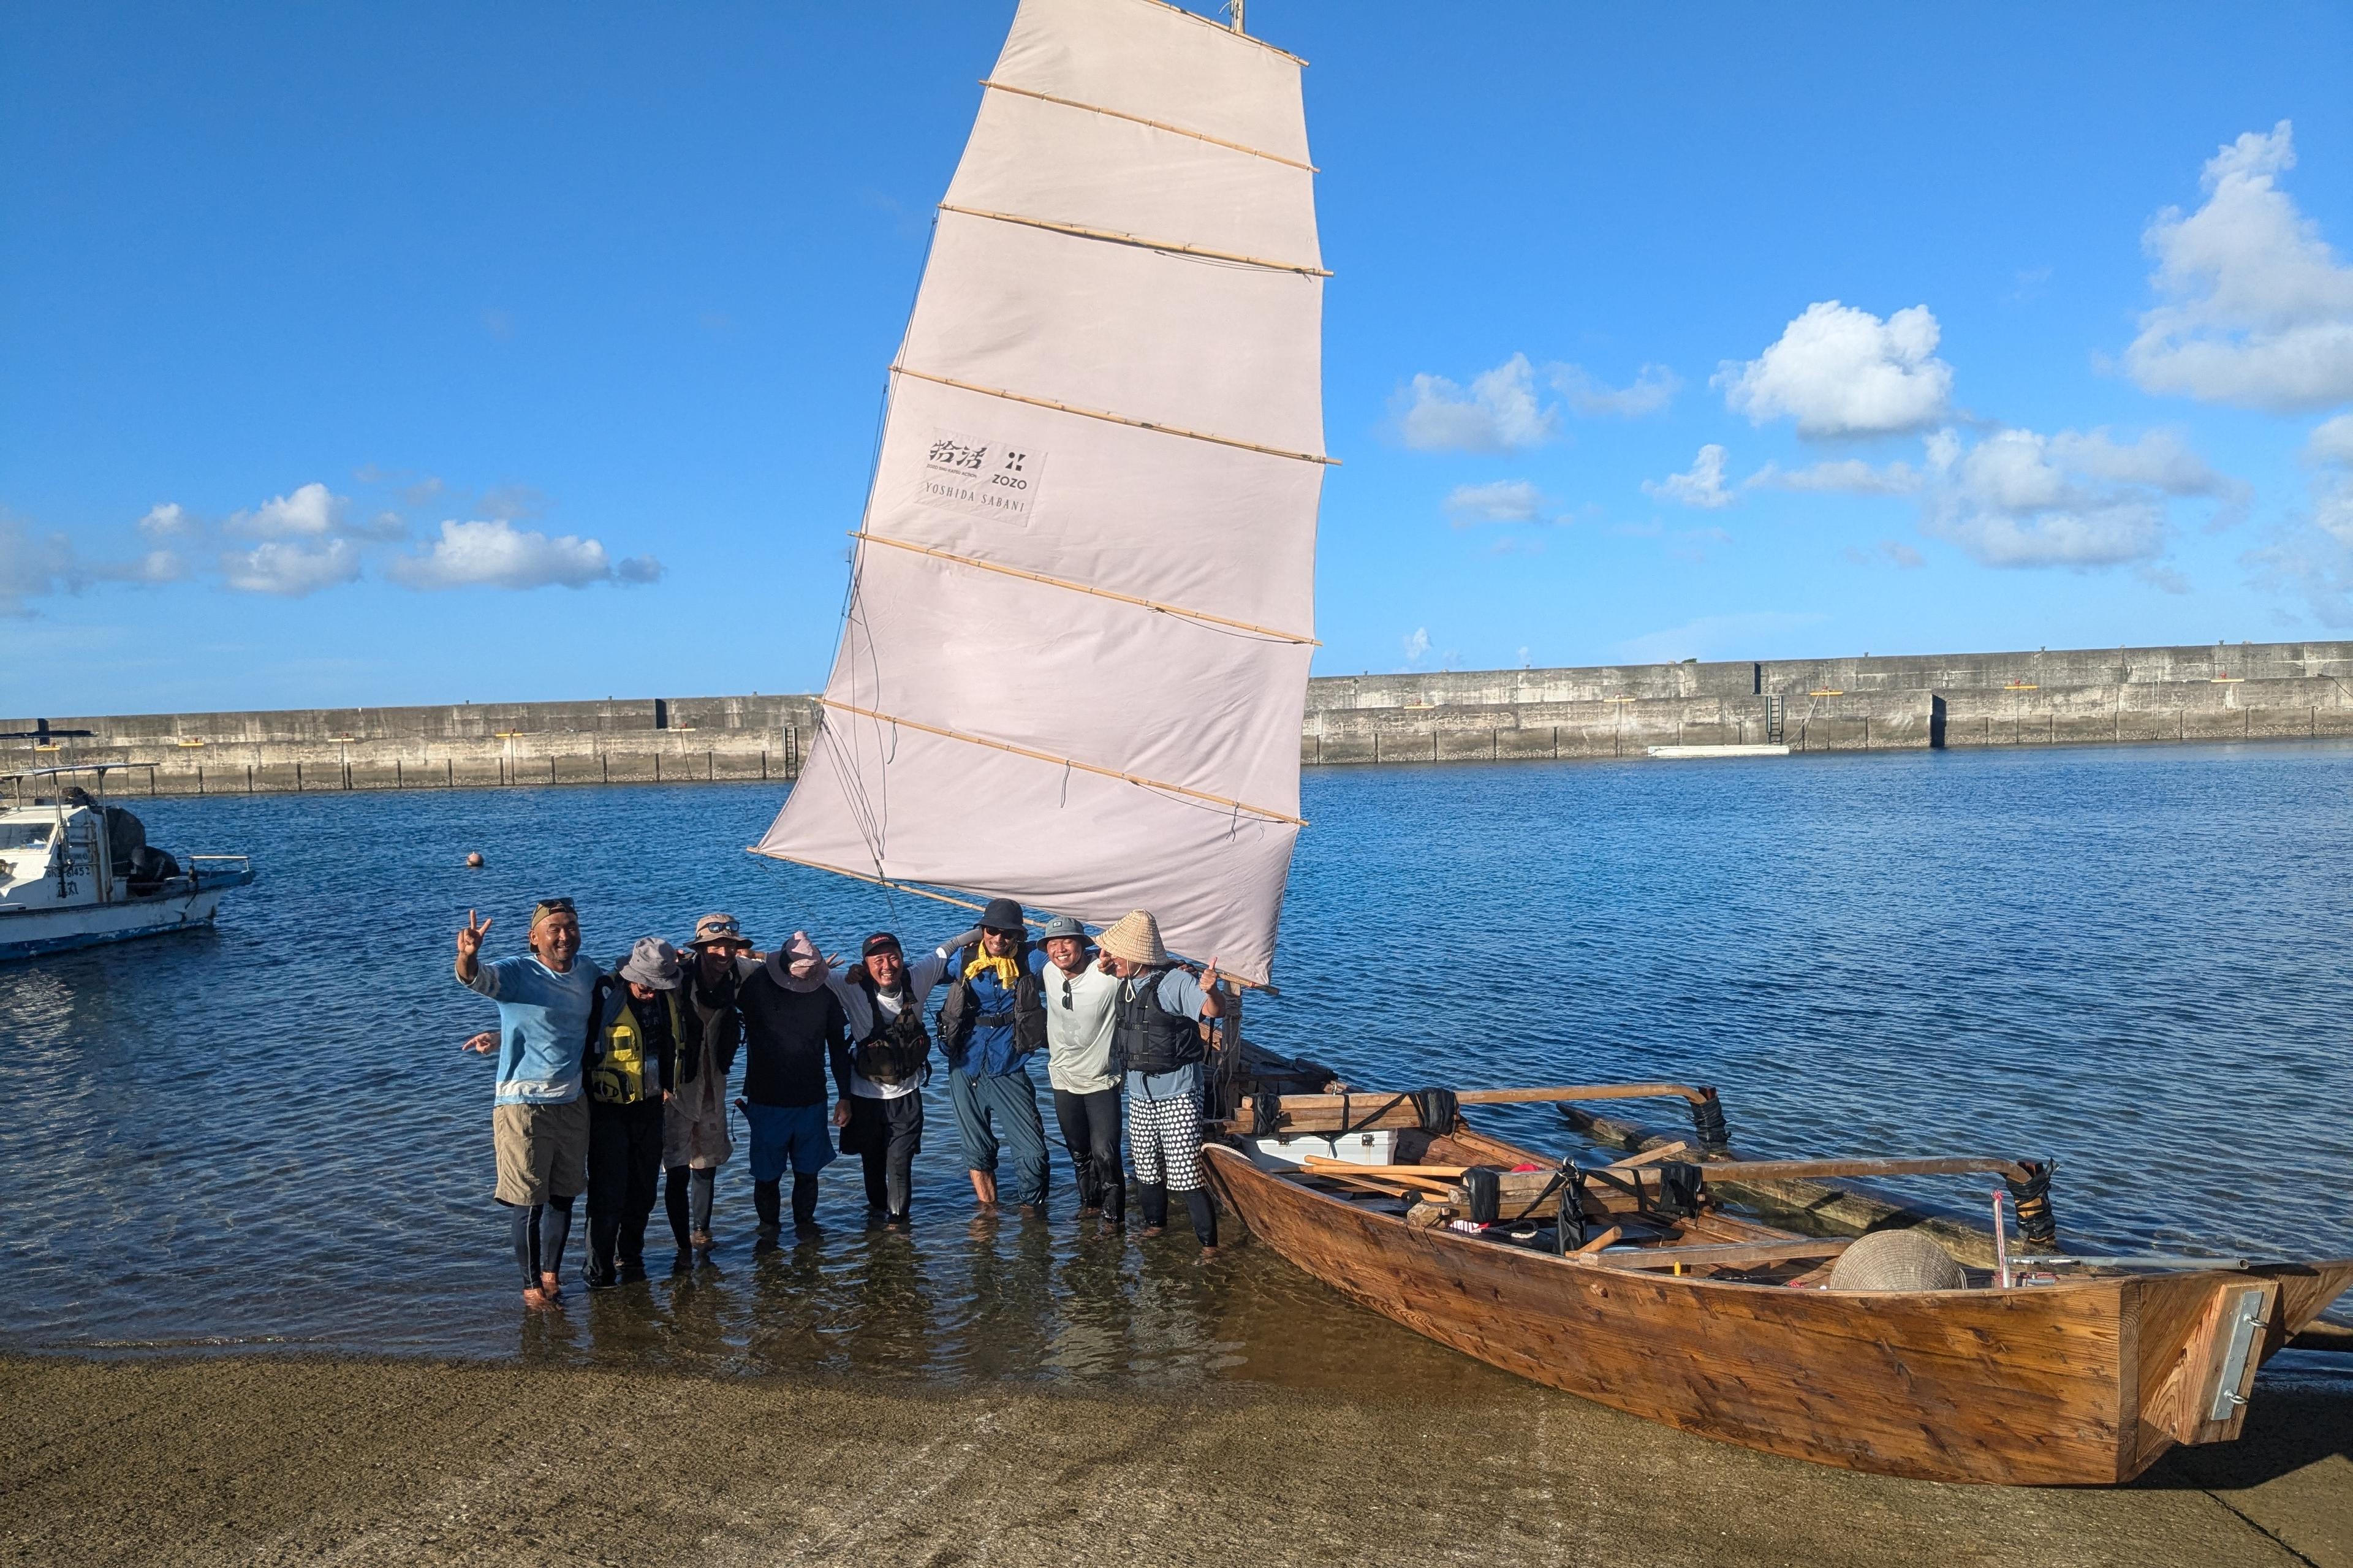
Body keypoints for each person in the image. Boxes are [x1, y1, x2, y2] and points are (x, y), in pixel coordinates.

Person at [455, 898, 599, 1309]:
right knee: (529, 1200)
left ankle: (552, 1275)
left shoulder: (587, 972)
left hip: (572, 1100)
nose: (564, 934)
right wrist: (468, 956)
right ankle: (531, 1285)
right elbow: (475, 979)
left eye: (571, 925)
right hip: (522, 1103)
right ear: (534, 937)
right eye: (554, 927)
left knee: (564, 1194)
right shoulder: (519, 972)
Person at [1097, 909, 1226, 1257]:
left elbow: (1214, 1012)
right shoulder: (1126, 981)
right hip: (1139, 1090)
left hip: (1179, 1091)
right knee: (1145, 1166)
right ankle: (1156, 1225)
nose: (1112, 958)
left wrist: (1213, 992)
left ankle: (1209, 1245)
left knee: (1185, 1172)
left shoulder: (1175, 983)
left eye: (1119, 953)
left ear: (1139, 957)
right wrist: (1105, 961)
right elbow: (1104, 967)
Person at [833, 924, 973, 1229]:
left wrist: (984, 931)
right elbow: (803, 975)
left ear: (901, 957)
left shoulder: (917, 977)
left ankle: (898, 1228)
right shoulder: (849, 985)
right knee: (871, 1164)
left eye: (893, 957)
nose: (887, 966)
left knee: (899, 1163)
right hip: (864, 1098)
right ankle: (877, 1224)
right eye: (877, 961)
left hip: (906, 1096)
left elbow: (947, 948)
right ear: (866, 966)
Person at [936, 897, 1051, 1213]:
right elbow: (919, 971)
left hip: (1009, 1064)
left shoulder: (1031, 960)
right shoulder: (963, 959)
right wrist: (863, 973)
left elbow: (1070, 959)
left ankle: (1033, 1213)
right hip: (965, 1064)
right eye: (992, 930)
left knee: (1033, 1154)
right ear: (982, 930)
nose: (998, 939)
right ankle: (989, 1214)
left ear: (1019, 937)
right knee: (977, 1150)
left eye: (1008, 933)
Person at [580, 937, 683, 1288]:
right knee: (608, 1193)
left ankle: (632, 1256)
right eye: (646, 985)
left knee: (644, 1188)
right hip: (608, 1110)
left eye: (659, 986)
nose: (653, 992)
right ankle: (599, 1271)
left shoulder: (667, 994)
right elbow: (563, 1032)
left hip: (651, 1104)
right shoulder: (603, 995)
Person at [735, 930, 852, 1237]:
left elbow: (839, 1051)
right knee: (766, 1177)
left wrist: (845, 1097)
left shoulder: (826, 995)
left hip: (811, 1101)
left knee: (808, 1175)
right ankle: (769, 1234)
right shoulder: (755, 986)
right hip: (766, 1101)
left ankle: (805, 1234)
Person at [665, 912, 753, 1258]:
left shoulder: (740, 975)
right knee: (675, 1165)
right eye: (715, 946)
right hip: (676, 1085)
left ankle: (701, 1231)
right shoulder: (676, 979)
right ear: (700, 948)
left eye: (730, 946)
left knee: (707, 1163)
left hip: (714, 1081)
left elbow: (785, 967)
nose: (723, 953)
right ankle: (679, 1240)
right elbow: (626, 970)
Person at [1036, 915, 1124, 1230]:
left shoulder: (1108, 976)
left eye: (1067, 941)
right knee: (1079, 1152)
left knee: (1106, 1153)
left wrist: (1183, 969)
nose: (1060, 949)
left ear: (1083, 945)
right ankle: (1089, 1205)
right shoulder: (1047, 970)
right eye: (1052, 943)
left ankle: (1114, 1218)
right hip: (1062, 1077)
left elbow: (1144, 967)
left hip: (1101, 1078)